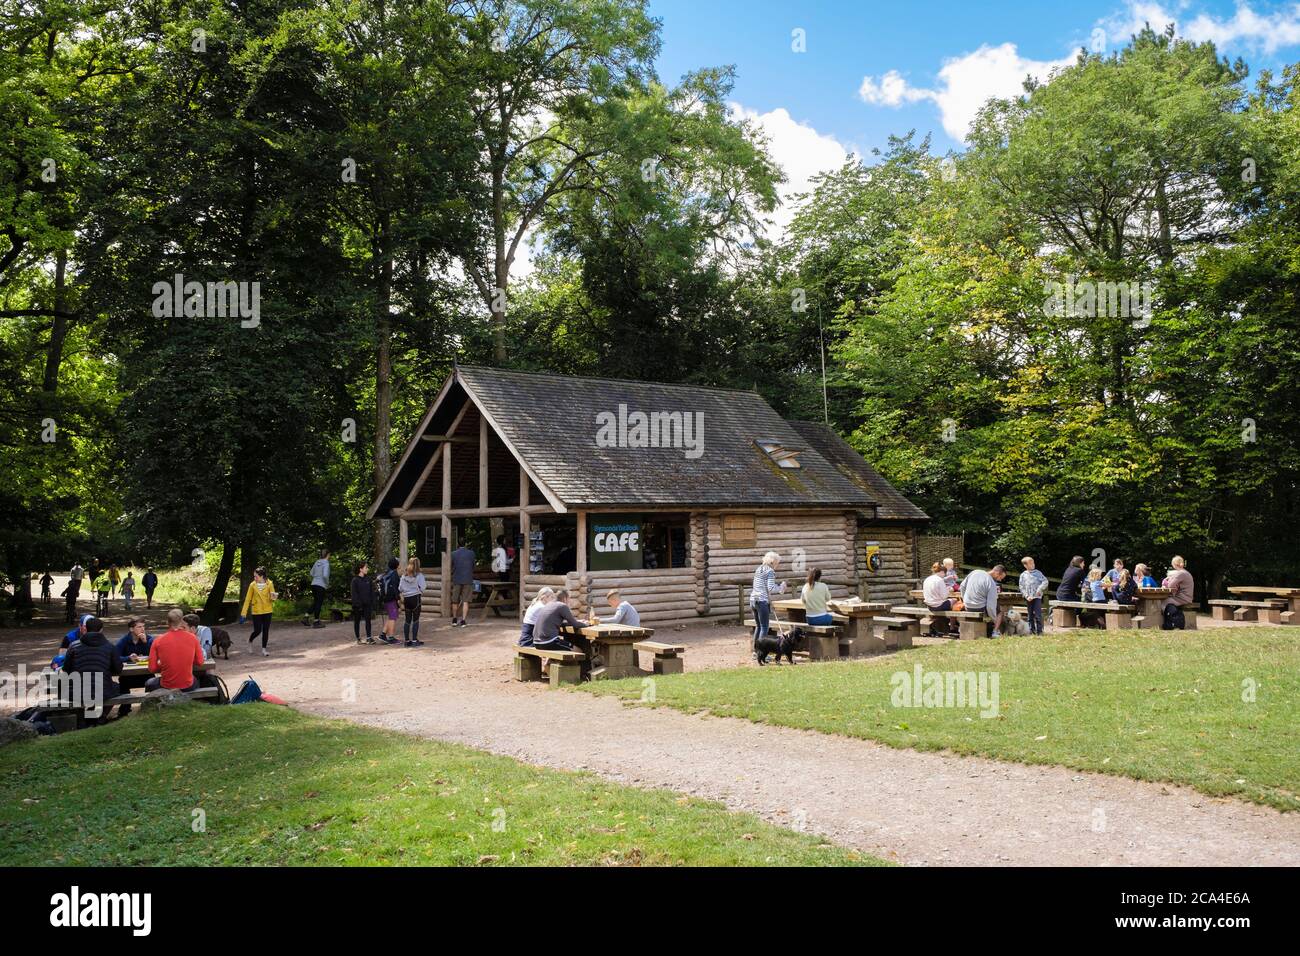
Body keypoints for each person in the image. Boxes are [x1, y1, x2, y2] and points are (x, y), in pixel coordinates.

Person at [62, 617, 122, 723]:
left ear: (86, 629)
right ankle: (99, 718)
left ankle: (85, 719)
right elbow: (118, 670)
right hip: (102, 690)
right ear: (101, 630)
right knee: (118, 688)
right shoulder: (110, 647)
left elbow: (66, 669)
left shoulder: (74, 646)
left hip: (76, 690)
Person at [531, 589, 598, 675]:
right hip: (548, 642)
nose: (569, 602)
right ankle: (582, 674)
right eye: (569, 599)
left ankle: (549, 664)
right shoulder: (562, 606)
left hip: (537, 642)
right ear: (565, 599)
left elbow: (562, 623)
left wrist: (579, 623)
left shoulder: (549, 605)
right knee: (580, 651)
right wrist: (588, 624)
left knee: (567, 646)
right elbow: (575, 624)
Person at [147, 608, 205, 692]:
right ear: (182, 621)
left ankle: (151, 704)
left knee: (149, 683)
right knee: (197, 680)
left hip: (167, 685)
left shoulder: (158, 640)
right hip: (187, 685)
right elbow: (200, 662)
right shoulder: (193, 638)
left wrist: (164, 664)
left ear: (167, 622)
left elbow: (152, 668)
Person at [749, 551, 787, 654]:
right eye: (777, 563)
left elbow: (762, 586)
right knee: (764, 626)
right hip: (761, 601)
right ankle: (761, 652)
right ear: (773, 561)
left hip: (753, 600)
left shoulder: (759, 569)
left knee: (758, 626)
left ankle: (755, 651)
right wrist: (781, 587)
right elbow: (770, 588)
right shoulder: (770, 571)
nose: (777, 565)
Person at [960, 564, 1007, 636]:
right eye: (1001, 577)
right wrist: (994, 619)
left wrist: (964, 600)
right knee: (1000, 612)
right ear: (997, 573)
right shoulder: (991, 583)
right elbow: (990, 606)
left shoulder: (975, 572)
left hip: (967, 606)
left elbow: (962, 586)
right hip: (979, 607)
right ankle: (995, 632)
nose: (1000, 580)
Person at [239, 567, 276, 656]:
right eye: (254, 576)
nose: (254, 578)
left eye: (256, 576)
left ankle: (264, 649)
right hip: (256, 611)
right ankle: (250, 640)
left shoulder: (270, 584)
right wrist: (243, 613)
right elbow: (247, 599)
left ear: (261, 576)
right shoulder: (252, 585)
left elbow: (273, 598)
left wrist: (274, 597)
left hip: (268, 610)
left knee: (266, 630)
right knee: (257, 630)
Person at [921, 561, 959, 636]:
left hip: (929, 606)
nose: (944, 575)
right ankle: (952, 627)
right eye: (944, 573)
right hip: (937, 605)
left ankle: (939, 627)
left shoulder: (927, 579)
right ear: (941, 572)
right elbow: (944, 596)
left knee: (951, 602)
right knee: (955, 601)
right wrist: (949, 589)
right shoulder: (939, 580)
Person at [1018, 556, 1049, 635]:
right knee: (1030, 615)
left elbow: (1045, 581)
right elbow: (1021, 586)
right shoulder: (1023, 575)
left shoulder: (1038, 573)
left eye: (1033, 563)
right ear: (1025, 565)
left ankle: (1040, 631)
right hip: (1028, 598)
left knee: (1038, 614)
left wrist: (1040, 589)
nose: (1033, 564)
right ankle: (1031, 630)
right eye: (1030, 563)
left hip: (1037, 597)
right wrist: (1026, 596)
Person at [1161, 555, 1195, 627]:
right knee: (1165, 601)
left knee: (1163, 603)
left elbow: (1170, 585)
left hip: (1183, 598)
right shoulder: (1185, 572)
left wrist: (1167, 580)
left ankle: (1168, 622)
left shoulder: (1180, 573)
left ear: (1175, 564)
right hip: (1187, 597)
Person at [399, 557, 426, 647]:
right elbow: (423, 587)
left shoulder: (404, 576)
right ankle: (414, 640)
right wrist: (418, 591)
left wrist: (406, 591)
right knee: (415, 620)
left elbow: (400, 588)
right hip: (416, 598)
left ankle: (407, 641)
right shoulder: (419, 575)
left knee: (407, 620)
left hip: (407, 599)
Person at [450, 542, 475, 627]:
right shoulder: (471, 553)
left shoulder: (453, 554)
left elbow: (451, 566)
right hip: (468, 579)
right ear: (465, 544)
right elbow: (473, 565)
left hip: (457, 579)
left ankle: (454, 619)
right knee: (465, 601)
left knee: (455, 600)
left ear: (457, 544)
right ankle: (463, 620)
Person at [351, 561, 376, 644]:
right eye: (366, 567)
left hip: (367, 604)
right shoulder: (355, 580)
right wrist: (358, 604)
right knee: (357, 621)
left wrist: (373, 601)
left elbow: (372, 592)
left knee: (368, 620)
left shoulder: (368, 579)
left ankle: (369, 637)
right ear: (360, 569)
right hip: (358, 606)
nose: (367, 569)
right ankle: (358, 638)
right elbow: (354, 594)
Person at [378, 557, 402, 643]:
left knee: (391, 617)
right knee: (393, 617)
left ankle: (383, 635)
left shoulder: (387, 572)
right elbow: (395, 589)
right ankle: (391, 637)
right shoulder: (394, 574)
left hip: (386, 598)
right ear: (396, 565)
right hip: (391, 599)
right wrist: (398, 599)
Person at [308, 549, 330, 627]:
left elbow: (311, 573)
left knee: (316, 602)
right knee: (319, 603)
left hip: (313, 584)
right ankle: (316, 621)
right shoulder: (326, 563)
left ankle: (306, 616)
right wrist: (327, 584)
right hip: (321, 585)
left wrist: (317, 577)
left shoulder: (317, 562)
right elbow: (325, 575)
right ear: (328, 555)